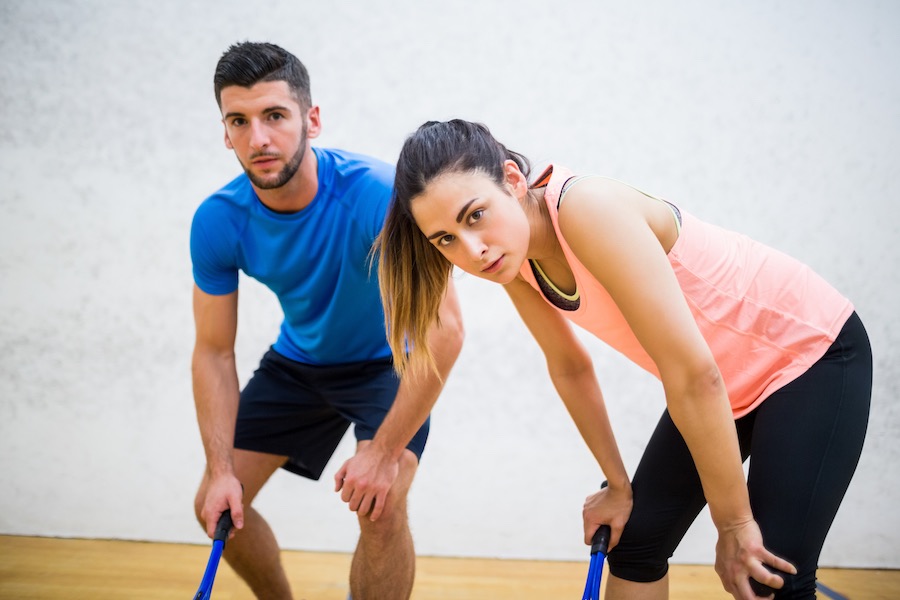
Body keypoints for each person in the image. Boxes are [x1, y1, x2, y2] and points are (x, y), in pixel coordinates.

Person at [377, 119, 871, 600]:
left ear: (511, 179)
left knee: (768, 575)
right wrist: (617, 485)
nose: (473, 250)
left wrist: (734, 524)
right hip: (718, 381)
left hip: (808, 354)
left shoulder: (586, 209)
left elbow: (694, 376)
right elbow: (569, 366)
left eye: (474, 215)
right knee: (635, 543)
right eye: (446, 239)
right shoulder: (515, 261)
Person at [189, 43, 463, 600]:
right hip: (299, 367)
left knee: (380, 506)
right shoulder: (218, 220)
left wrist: (383, 454)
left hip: (389, 365)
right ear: (224, 132)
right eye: (238, 121)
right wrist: (220, 469)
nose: (258, 138)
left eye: (274, 116)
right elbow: (213, 352)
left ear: (311, 119)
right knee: (215, 507)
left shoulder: (379, 195)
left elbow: (446, 331)